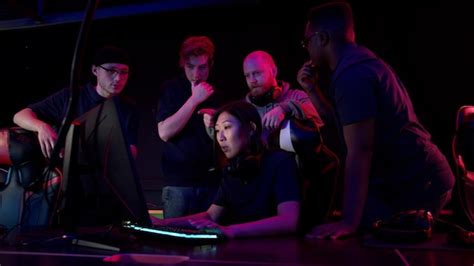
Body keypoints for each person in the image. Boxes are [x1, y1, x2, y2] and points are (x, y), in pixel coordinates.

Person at [297, 2, 455, 239]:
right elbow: (343, 125)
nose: (306, 47)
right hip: (406, 180)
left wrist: (349, 221)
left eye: (306, 41)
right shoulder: (356, 64)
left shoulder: (353, 75)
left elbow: (360, 149)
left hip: (419, 182)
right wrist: (312, 90)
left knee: (366, 236)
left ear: (322, 38)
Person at [152, 101, 300, 239]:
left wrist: (230, 231)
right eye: (217, 130)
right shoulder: (232, 170)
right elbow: (211, 216)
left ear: (251, 128)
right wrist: (164, 223)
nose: (220, 137)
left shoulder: (280, 162)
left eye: (227, 127)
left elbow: (288, 221)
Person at [13, 45, 138, 159]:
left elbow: (132, 149)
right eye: (111, 71)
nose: (118, 78)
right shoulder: (71, 96)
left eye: (123, 72)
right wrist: (42, 127)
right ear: (95, 70)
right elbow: (20, 116)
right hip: (64, 172)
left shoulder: (128, 107)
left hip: (102, 173)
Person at [156, 36, 221, 218]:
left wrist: (215, 125)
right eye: (190, 67)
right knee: (174, 241)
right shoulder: (171, 88)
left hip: (211, 183)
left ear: (210, 65)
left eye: (202, 67)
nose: (196, 74)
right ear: (182, 64)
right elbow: (164, 132)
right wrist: (194, 100)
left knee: (211, 242)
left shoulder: (217, 92)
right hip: (179, 184)